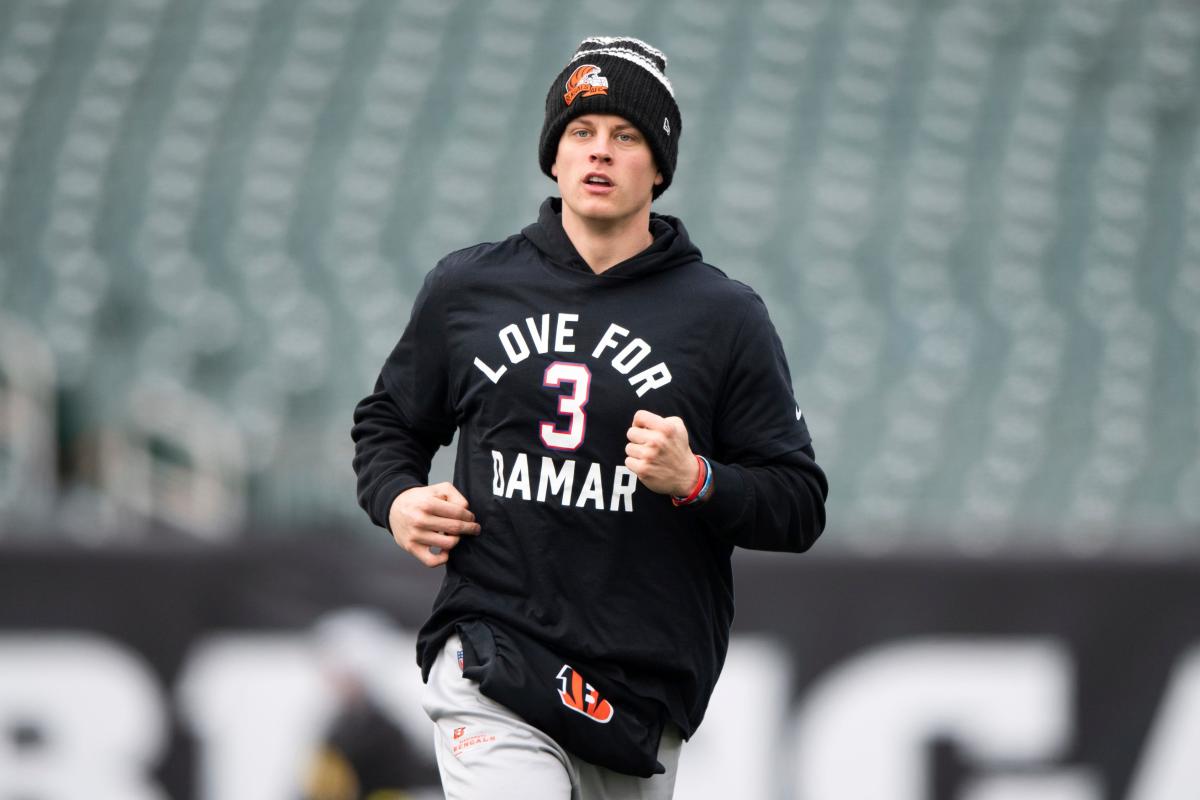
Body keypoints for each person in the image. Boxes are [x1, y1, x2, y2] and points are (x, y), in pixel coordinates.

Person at [352, 35, 828, 800]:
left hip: (637, 684)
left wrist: (696, 478)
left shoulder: (724, 317)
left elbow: (799, 505)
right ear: (554, 154)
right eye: (581, 131)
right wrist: (397, 497)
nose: (599, 152)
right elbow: (389, 423)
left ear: (659, 167)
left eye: (626, 136)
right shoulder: (469, 287)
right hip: (493, 648)